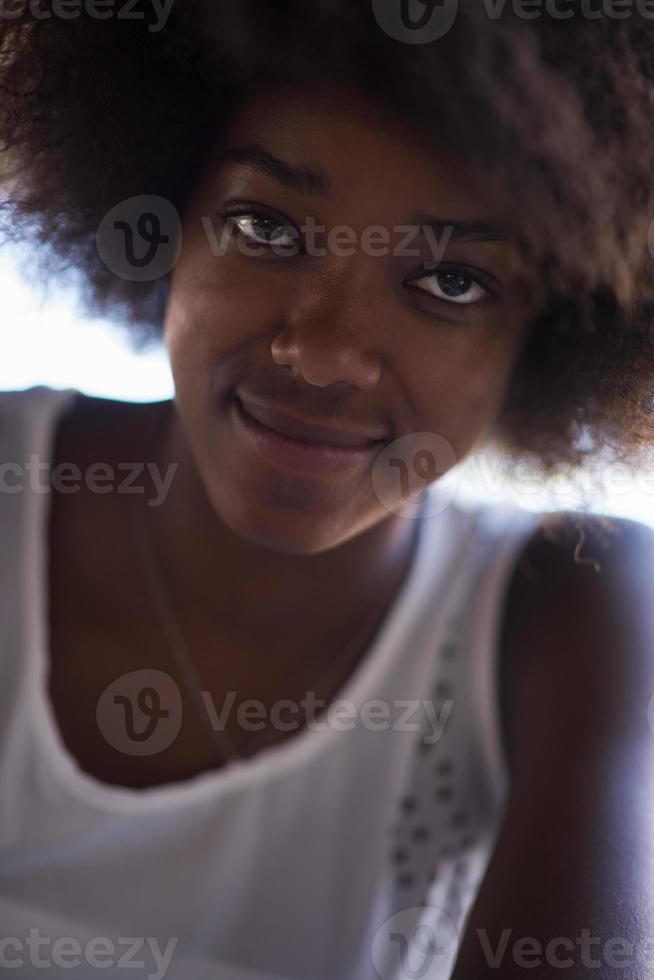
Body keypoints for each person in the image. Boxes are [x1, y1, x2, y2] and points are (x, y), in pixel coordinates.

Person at [0, 2, 654, 978]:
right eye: (266, 226)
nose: (320, 351)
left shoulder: (568, 604)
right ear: (167, 219)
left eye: (452, 282)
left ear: (546, 342)